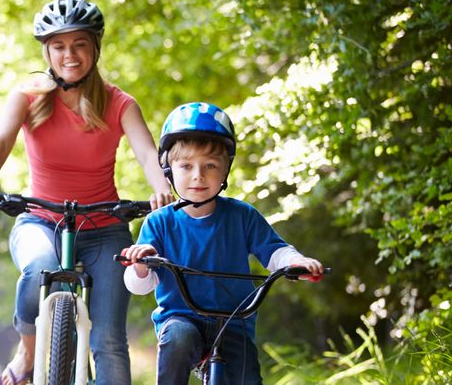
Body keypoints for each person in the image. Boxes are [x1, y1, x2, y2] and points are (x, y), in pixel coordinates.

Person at [0, 0, 174, 385]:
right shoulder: (29, 96)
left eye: (79, 44)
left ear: (95, 47)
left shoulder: (118, 102)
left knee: (109, 338)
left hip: (105, 228)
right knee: (38, 268)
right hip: (41, 221)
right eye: (58, 45)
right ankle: (27, 355)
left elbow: (147, 153)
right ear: (46, 50)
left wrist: (161, 189)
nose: (69, 54)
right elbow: (0, 138)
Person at [120, 102, 325, 385]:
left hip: (234, 322)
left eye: (210, 165)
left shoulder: (242, 216)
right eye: (186, 166)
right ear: (168, 169)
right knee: (177, 339)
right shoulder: (159, 222)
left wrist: (294, 262)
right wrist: (142, 266)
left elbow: (275, 251)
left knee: (246, 379)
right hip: (181, 319)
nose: (198, 175)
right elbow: (138, 285)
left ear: (226, 170)